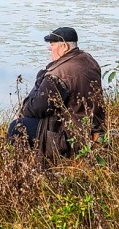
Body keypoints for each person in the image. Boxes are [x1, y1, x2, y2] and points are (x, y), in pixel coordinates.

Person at [8, 27, 105, 161]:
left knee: (17, 126)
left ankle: (29, 166)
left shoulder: (59, 73)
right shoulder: (88, 60)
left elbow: (36, 108)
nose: (49, 48)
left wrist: (39, 80)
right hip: (94, 129)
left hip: (72, 138)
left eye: (52, 44)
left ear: (64, 46)